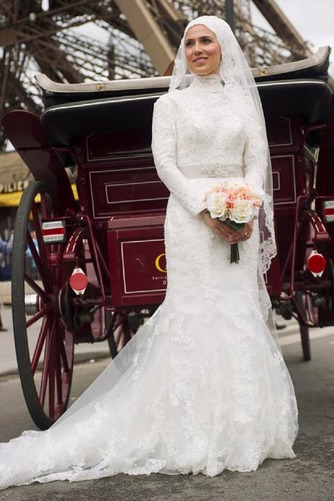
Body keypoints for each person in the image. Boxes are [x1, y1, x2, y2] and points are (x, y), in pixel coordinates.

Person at [0, 16, 298, 489]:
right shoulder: (169, 104)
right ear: (183, 52)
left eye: (207, 41)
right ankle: (193, 430)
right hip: (190, 223)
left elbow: (256, 160)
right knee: (196, 315)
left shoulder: (244, 104)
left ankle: (243, 428)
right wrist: (207, 210)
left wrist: (245, 207)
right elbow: (165, 163)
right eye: (191, 42)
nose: (198, 49)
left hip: (237, 220)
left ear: (224, 48)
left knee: (237, 315)